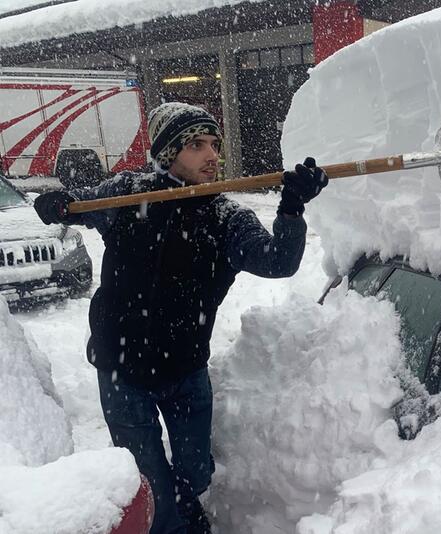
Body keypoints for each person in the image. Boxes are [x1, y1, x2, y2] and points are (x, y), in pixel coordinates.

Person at [33, 102, 327, 534]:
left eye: (215, 145)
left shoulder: (227, 217)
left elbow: (278, 261)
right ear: (169, 153)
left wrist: (292, 207)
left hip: (186, 369)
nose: (212, 155)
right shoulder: (128, 193)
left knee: (195, 471)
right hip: (122, 370)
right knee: (150, 479)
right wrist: (58, 203)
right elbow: (75, 207)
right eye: (196, 145)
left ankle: (186, 513)